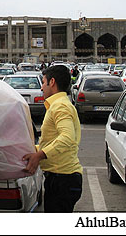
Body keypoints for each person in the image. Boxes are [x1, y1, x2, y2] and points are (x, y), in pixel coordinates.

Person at [22, 64, 82, 212]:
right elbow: (52, 141)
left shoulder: (60, 106)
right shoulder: (58, 105)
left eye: (43, 82)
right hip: (59, 179)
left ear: (52, 82)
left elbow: (67, 138)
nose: (42, 88)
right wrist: (32, 151)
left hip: (63, 179)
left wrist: (39, 155)